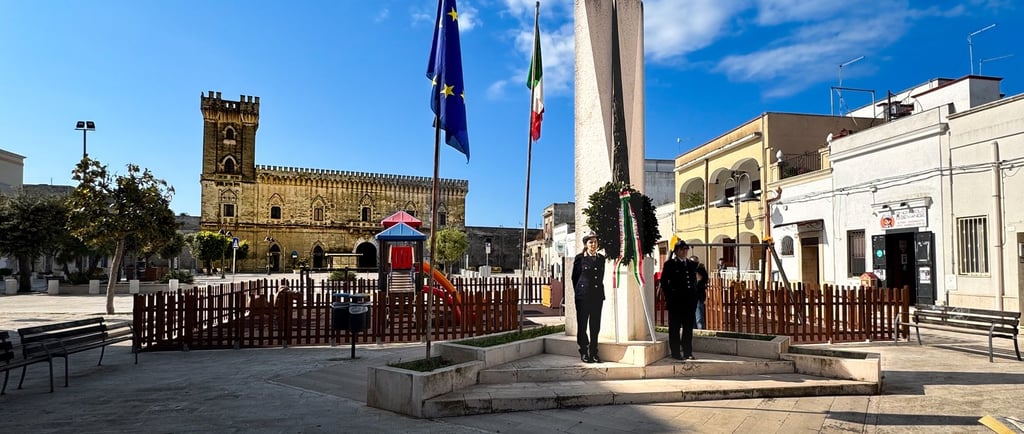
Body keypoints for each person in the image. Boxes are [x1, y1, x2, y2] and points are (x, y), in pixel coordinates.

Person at [660, 240, 708, 360]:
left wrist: (696, 294)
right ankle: (675, 352)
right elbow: (664, 282)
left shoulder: (692, 265)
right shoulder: (670, 264)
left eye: (686, 249)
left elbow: (702, 278)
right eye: (682, 249)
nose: (684, 252)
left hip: (689, 302)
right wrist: (669, 297)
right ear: (676, 251)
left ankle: (688, 352)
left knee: (688, 328)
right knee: (675, 328)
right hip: (676, 301)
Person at [571, 231, 605, 363]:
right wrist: (580, 291)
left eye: (595, 242)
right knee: (583, 324)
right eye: (590, 242)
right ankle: (584, 351)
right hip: (583, 296)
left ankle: (594, 352)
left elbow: (600, 277)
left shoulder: (601, 258)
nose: (593, 244)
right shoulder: (580, 258)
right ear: (585, 244)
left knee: (595, 325)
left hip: (597, 296)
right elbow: (575, 277)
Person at [690, 256, 709, 330]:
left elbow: (702, 280)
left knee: (699, 318)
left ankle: (701, 333)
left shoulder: (700, 270)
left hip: (698, 297)